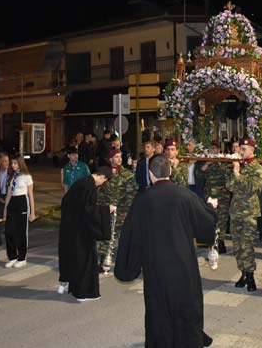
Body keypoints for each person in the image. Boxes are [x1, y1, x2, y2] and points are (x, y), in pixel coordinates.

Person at [115, 154, 217, 347]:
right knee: (185, 306)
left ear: (151, 174)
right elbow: (206, 224)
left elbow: (131, 235)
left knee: (158, 308)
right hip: (182, 264)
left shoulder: (142, 199)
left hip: (155, 266)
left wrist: (128, 267)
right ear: (170, 171)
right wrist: (211, 207)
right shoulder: (185, 195)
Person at [57, 166, 114, 301]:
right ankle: (83, 293)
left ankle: (71, 286)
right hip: (81, 231)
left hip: (69, 227)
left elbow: (66, 202)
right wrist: (106, 210)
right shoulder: (90, 187)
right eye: (104, 181)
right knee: (85, 260)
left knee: (73, 258)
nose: (102, 184)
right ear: (102, 177)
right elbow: (88, 210)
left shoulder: (81, 182)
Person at [227, 138, 262, 292]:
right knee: (237, 246)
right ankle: (243, 273)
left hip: (249, 212)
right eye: (239, 148)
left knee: (247, 245)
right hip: (235, 210)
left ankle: (250, 276)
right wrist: (234, 172)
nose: (240, 151)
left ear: (252, 150)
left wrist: (237, 174)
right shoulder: (237, 166)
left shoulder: (257, 169)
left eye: (244, 149)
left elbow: (251, 187)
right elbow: (229, 186)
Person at [97, 149, 137, 270]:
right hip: (105, 210)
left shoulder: (127, 175)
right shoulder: (104, 173)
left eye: (120, 156)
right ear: (110, 159)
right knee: (104, 235)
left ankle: (123, 262)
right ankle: (103, 260)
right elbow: (99, 192)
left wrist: (128, 212)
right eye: (116, 157)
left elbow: (131, 195)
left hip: (120, 212)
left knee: (120, 237)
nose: (119, 159)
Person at [3, 157, 36, 268]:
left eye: (15, 163)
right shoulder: (11, 177)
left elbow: (30, 195)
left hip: (22, 202)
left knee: (21, 231)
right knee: (9, 231)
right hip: (12, 203)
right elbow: (8, 195)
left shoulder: (27, 177)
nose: (13, 165)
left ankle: (22, 258)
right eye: (12, 163)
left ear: (20, 164)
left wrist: (32, 212)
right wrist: (5, 210)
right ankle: (12, 257)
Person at [204, 141, 230, 254]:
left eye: (215, 148)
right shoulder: (206, 160)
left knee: (222, 219)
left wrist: (220, 163)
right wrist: (207, 164)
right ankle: (212, 241)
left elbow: (229, 175)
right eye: (211, 148)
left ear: (218, 150)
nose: (213, 150)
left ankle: (221, 240)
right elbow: (199, 174)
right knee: (211, 219)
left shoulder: (224, 161)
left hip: (222, 196)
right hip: (210, 195)